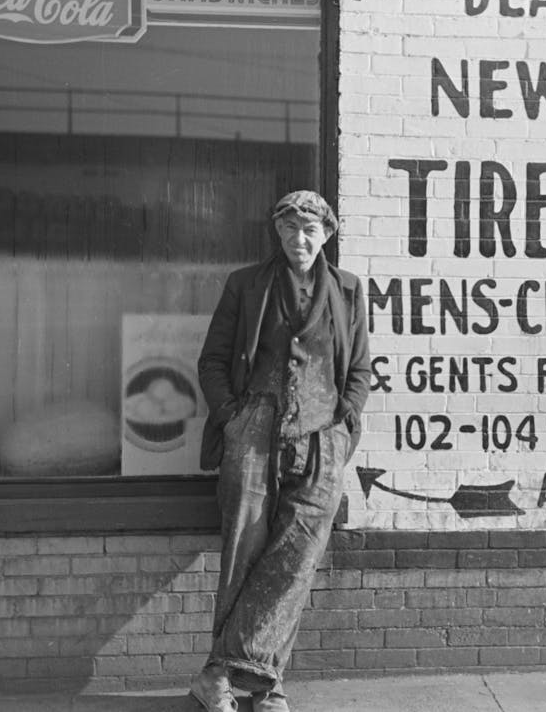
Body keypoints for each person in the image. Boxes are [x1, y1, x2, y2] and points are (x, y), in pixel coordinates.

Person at [190, 190, 371, 712]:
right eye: (290, 228)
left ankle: (231, 674)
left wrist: (344, 421)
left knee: (297, 557)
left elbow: (359, 369)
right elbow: (213, 360)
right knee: (244, 550)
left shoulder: (350, 291)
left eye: (311, 230)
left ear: (327, 235)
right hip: (254, 428)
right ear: (277, 231)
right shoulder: (245, 284)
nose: (300, 238)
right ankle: (250, 687)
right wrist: (232, 414)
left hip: (321, 437)